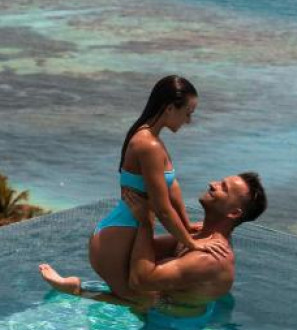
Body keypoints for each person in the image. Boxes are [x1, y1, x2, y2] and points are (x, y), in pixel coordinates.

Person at [39, 172, 267, 325]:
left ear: (234, 213)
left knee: (145, 294)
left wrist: (146, 220)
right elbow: (143, 249)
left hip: (174, 324)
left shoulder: (209, 259)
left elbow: (140, 280)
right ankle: (78, 289)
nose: (213, 184)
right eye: (220, 181)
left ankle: (78, 290)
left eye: (223, 188)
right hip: (166, 302)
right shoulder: (200, 234)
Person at [87, 75, 228, 302]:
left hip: (127, 234)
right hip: (116, 239)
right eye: (188, 113)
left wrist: (186, 225)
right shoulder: (148, 144)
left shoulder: (153, 139)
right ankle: (75, 289)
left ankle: (77, 288)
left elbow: (173, 189)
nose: (189, 121)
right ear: (170, 108)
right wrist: (192, 243)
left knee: (144, 300)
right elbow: (162, 209)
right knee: (143, 302)